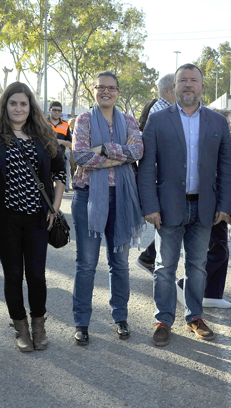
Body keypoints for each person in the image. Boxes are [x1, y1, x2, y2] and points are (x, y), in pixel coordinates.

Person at [138, 63, 231, 347]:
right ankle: (163, 319)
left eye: (194, 80)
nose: (188, 85)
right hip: (168, 207)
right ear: (174, 87)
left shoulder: (217, 122)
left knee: (198, 266)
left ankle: (195, 317)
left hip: (205, 207)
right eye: (183, 80)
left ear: (202, 87)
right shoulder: (158, 120)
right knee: (164, 266)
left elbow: (227, 167)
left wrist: (225, 204)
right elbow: (147, 167)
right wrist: (150, 206)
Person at [0, 82, 65, 352]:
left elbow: (60, 173)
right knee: (13, 275)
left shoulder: (44, 135)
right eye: (13, 103)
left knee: (36, 275)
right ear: (5, 106)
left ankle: (39, 325)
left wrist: (54, 208)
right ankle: (21, 327)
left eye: (23, 104)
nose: (18, 108)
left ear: (30, 107)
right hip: (5, 219)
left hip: (38, 218)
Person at [71, 71, 144, 346]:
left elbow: (138, 151)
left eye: (111, 88)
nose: (106, 91)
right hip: (88, 197)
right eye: (101, 87)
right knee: (86, 264)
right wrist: (119, 156)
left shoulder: (129, 120)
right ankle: (82, 323)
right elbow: (80, 155)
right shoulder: (84, 120)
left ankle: (120, 317)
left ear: (118, 92)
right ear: (93, 90)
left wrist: (101, 148)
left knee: (119, 264)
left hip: (122, 198)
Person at [177, 108, 231, 309]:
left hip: (220, 203)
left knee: (222, 249)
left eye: (229, 124)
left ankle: (213, 294)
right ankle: (183, 284)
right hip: (210, 204)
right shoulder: (210, 144)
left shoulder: (224, 142)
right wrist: (224, 205)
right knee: (218, 251)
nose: (229, 127)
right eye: (227, 124)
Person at [136, 73, 176, 276]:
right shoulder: (161, 112)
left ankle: (149, 258)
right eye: (178, 86)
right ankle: (151, 260)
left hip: (163, 177)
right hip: (164, 178)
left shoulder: (160, 109)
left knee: (171, 224)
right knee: (170, 224)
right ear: (167, 91)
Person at [46, 101, 73, 192]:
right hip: (45, 158)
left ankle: (57, 201)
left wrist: (61, 142)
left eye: (59, 111)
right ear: (49, 110)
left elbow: (71, 144)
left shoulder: (65, 125)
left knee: (58, 187)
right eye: (54, 110)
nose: (57, 112)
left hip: (60, 159)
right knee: (46, 185)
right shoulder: (42, 123)